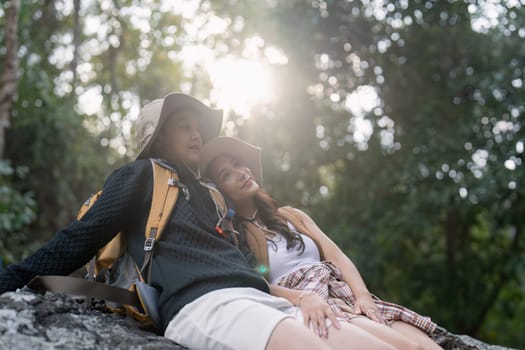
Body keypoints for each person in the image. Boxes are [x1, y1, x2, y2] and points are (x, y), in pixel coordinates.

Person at [0, 93, 395, 350]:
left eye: (198, 128)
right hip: (204, 305)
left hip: (260, 300)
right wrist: (11, 279)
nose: (196, 135)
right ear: (157, 139)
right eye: (183, 127)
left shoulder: (214, 197)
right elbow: (78, 239)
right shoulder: (141, 177)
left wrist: (305, 297)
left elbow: (250, 270)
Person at [200, 136, 444, 350]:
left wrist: (363, 296)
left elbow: (336, 256)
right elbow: (256, 283)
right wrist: (301, 298)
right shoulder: (234, 235)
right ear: (218, 190)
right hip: (312, 301)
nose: (241, 172)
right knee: (408, 348)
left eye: (238, 164)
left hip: (342, 291)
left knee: (427, 347)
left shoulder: (290, 215)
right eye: (227, 174)